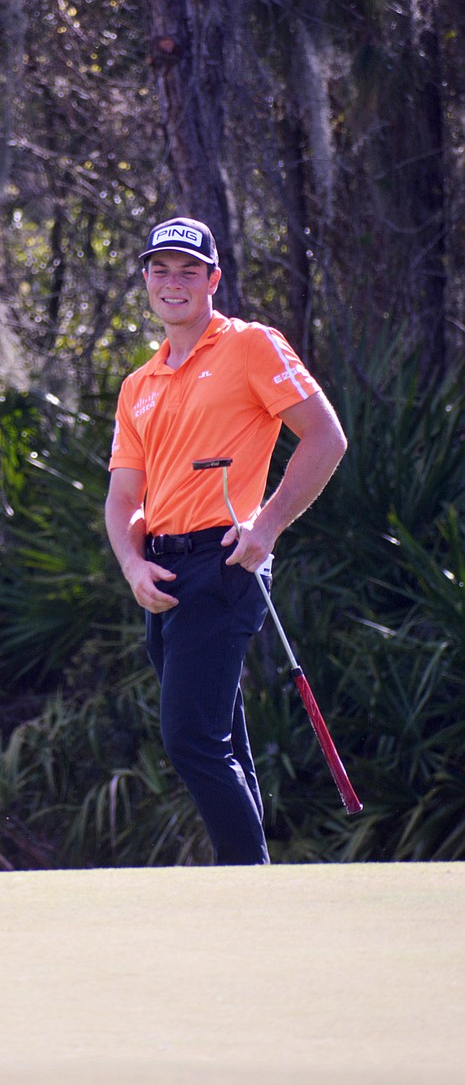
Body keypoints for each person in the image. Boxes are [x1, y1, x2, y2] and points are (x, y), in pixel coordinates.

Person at [105, 217, 347, 865]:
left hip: (227, 560)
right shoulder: (139, 384)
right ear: (147, 280)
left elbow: (326, 438)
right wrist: (132, 563)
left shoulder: (251, 346)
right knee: (221, 739)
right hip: (162, 572)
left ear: (214, 279)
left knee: (190, 738)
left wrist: (266, 526)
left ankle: (248, 878)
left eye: (189, 270)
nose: (173, 282)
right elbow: (125, 498)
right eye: (161, 269)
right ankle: (254, 884)